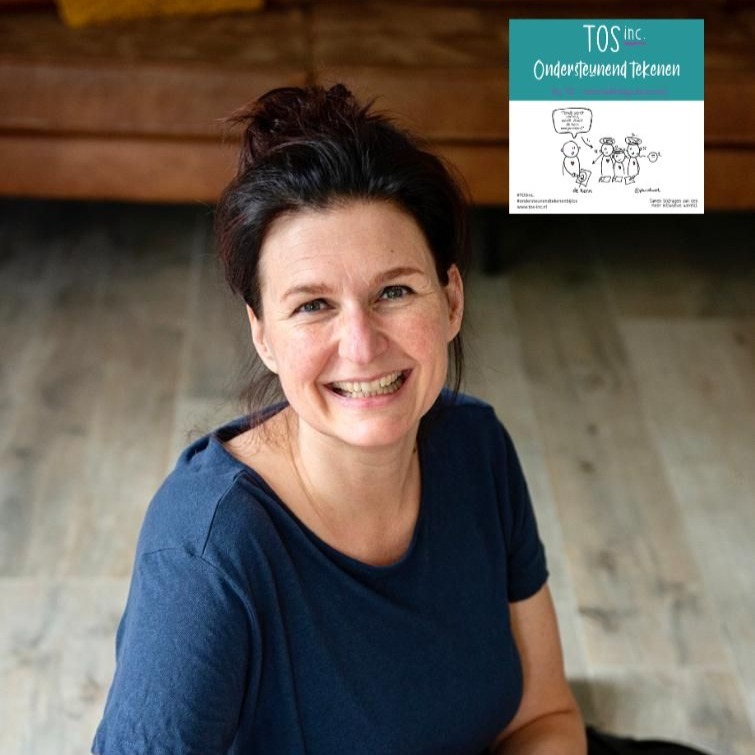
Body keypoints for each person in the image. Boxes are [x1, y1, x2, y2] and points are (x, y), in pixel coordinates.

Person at [92, 84, 586, 754]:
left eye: (394, 291)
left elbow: (543, 717)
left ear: (451, 300)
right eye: (313, 305)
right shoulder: (206, 558)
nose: (361, 344)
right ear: (263, 334)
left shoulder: (477, 447)